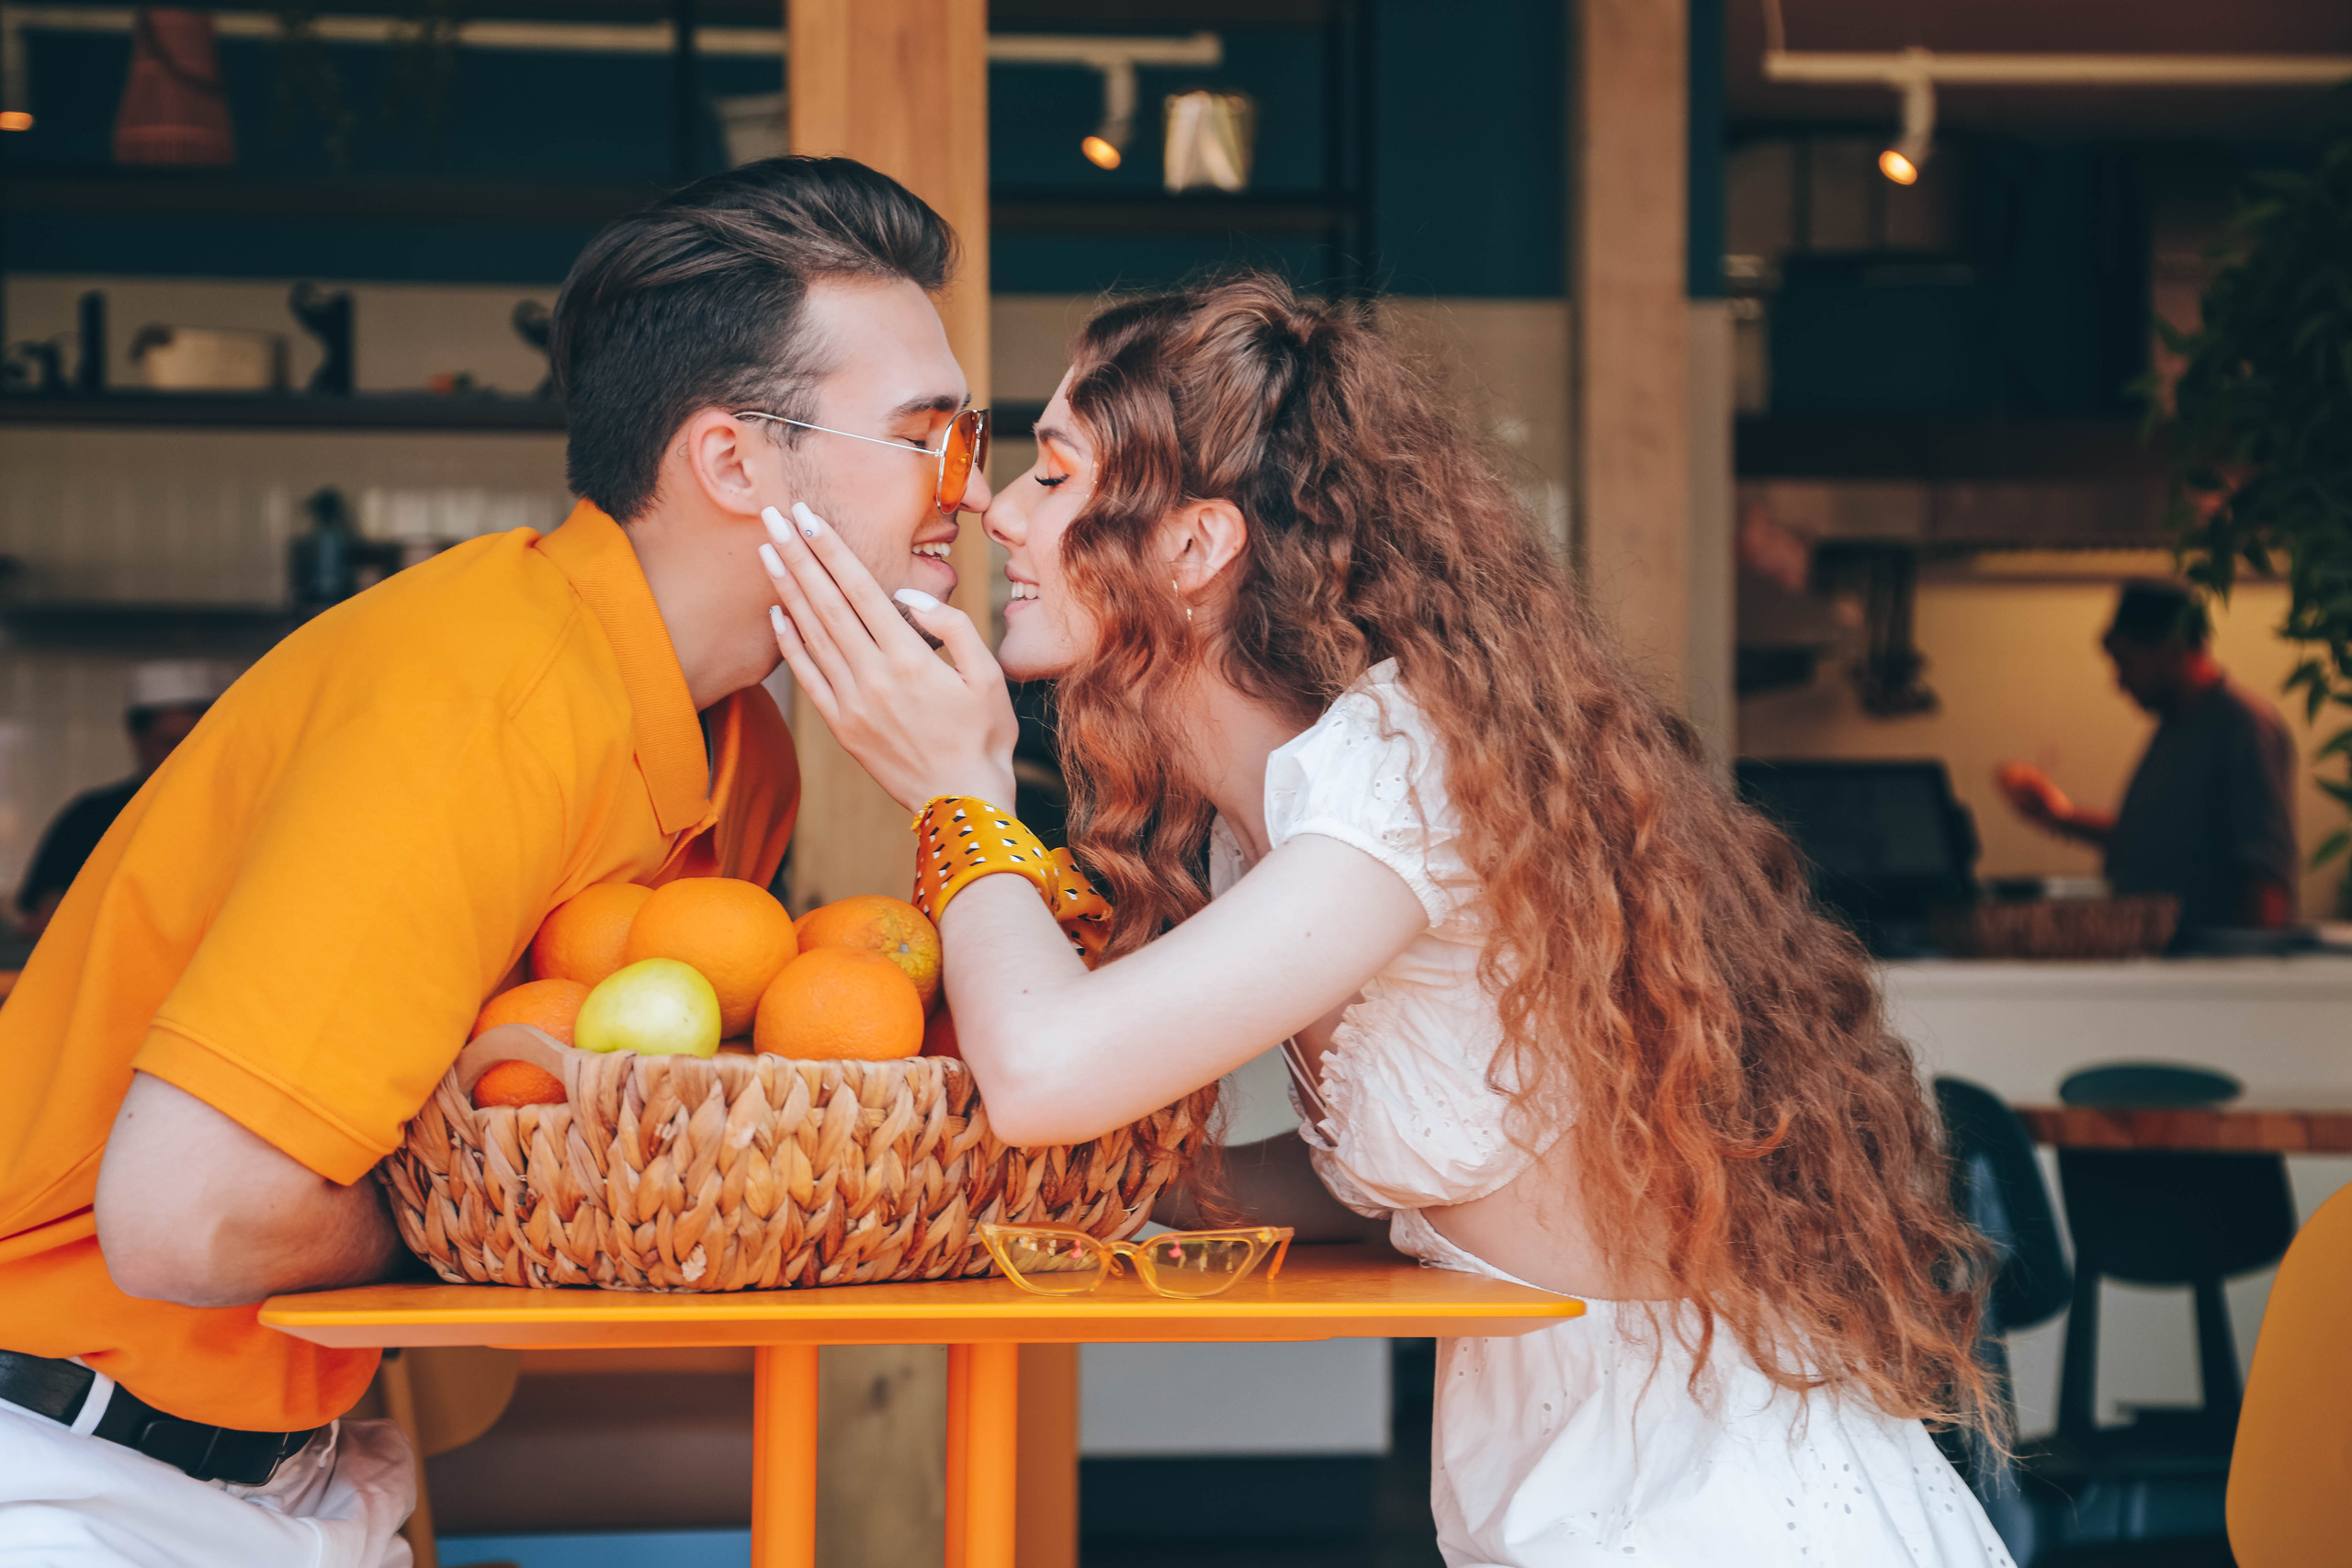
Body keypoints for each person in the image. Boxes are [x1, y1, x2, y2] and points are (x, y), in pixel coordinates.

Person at [761, 274, 2013, 1566]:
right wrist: (1120, 1197)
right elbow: (1426, 1175)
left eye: (1053, 472)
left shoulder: (1398, 777)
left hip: (1713, 1499)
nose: (992, 507)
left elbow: (1041, 1069)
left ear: (1195, 547)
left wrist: (957, 792)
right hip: (1564, 1470)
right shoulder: (1271, 820)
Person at [0, 155, 989, 1566]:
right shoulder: (488, 700)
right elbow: (188, 1215)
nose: (973, 491)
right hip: (64, 1469)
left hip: (291, 1465)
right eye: (931, 439)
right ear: (730, 459)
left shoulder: (741, 747)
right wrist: (508, 1190)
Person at [1996, 580, 2298, 935]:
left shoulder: (2242, 726)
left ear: (2172, 649)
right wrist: (2059, 816)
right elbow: (2153, 843)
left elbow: (2266, 870)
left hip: (2212, 970)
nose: (2119, 682)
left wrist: (2253, 972)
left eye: (2126, 662)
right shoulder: (2177, 725)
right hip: (2173, 962)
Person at [14, 661, 232, 941]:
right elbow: (48, 916)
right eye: (172, 743)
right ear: (136, 738)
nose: (187, 756)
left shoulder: (246, 815)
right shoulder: (90, 818)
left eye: (200, 742)